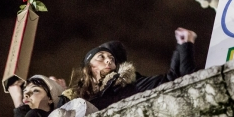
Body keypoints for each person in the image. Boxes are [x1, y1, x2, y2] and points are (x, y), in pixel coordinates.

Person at [58, 27, 197, 111]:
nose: (108, 60)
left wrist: (184, 45)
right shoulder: (74, 97)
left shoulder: (130, 85)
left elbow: (178, 79)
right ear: (87, 68)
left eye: (112, 58)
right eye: (100, 57)